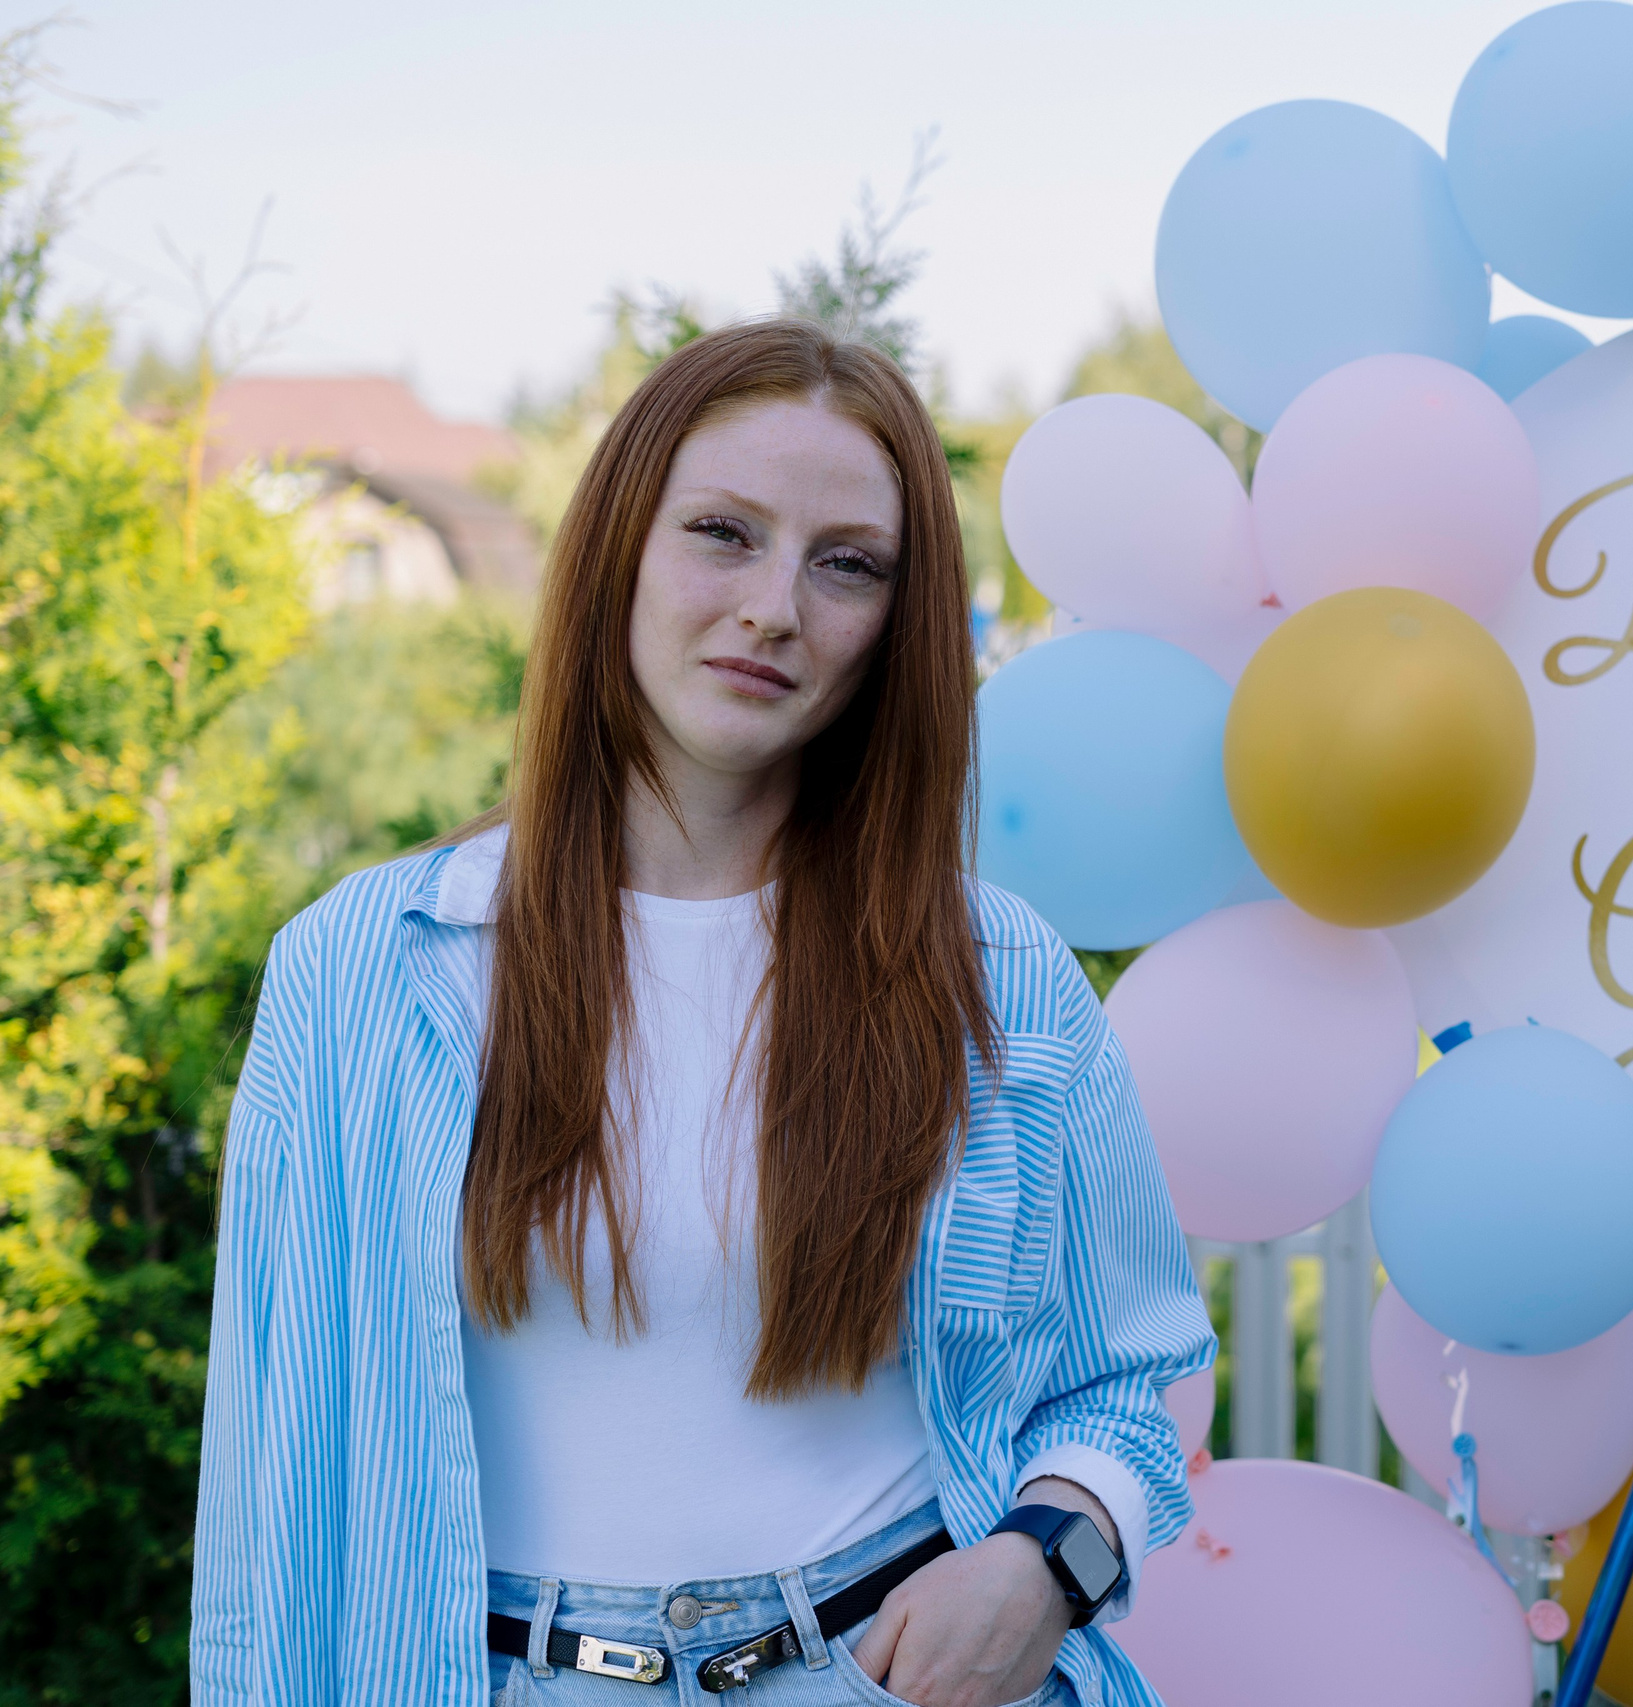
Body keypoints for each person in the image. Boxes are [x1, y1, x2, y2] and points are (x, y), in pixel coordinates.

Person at [191, 319, 1215, 1707]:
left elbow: (1125, 1387)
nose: (776, 608)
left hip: (884, 1680)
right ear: (617, 549)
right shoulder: (366, 972)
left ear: (892, 629)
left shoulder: (992, 972)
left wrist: (1043, 1565)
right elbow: (267, 1481)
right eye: (723, 534)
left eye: (845, 564)